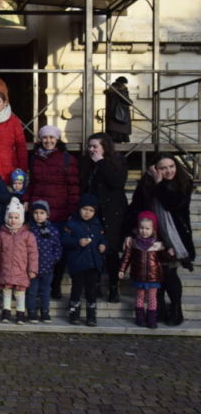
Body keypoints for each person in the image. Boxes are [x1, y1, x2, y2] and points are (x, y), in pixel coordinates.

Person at [128, 153, 195, 325]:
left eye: (171, 166)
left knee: (170, 274)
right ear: (154, 169)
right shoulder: (146, 184)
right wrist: (131, 233)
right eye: (163, 168)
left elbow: (171, 204)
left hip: (174, 236)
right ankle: (159, 309)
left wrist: (159, 183)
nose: (168, 171)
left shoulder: (183, 182)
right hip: (151, 235)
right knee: (156, 275)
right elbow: (136, 207)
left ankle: (176, 309)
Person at [23, 124, 79, 298]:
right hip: (38, 211)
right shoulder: (35, 158)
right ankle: (37, 285)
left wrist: (72, 209)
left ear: (57, 139)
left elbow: (74, 187)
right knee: (37, 249)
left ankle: (55, 285)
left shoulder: (67, 159)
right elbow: (32, 183)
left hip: (60, 212)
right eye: (45, 138)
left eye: (51, 138)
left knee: (57, 250)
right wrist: (26, 200)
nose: (48, 141)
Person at [80, 132, 127, 303]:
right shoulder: (87, 162)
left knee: (112, 251)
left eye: (95, 146)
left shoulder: (117, 161)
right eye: (90, 146)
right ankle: (96, 284)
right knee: (94, 250)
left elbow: (116, 182)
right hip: (94, 212)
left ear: (104, 147)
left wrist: (101, 162)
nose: (91, 150)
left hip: (113, 213)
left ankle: (114, 287)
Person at [119, 211, 170, 329]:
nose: (144, 231)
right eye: (141, 228)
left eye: (147, 228)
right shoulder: (135, 243)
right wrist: (122, 269)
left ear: (153, 229)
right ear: (138, 228)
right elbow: (127, 257)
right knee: (140, 297)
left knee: (152, 298)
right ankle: (140, 318)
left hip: (153, 276)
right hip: (139, 275)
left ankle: (152, 319)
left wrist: (168, 253)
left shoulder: (157, 245)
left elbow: (163, 258)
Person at [62, 194, 107, 327]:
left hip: (93, 263)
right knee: (77, 288)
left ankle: (91, 316)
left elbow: (103, 239)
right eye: (84, 209)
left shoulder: (97, 224)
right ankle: (74, 313)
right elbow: (65, 240)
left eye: (91, 210)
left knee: (91, 290)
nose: (87, 213)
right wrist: (77, 242)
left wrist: (103, 245)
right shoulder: (72, 223)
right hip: (78, 263)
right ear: (79, 209)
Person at [0, 198, 38, 325]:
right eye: (11, 217)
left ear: (21, 218)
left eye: (16, 217)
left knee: (20, 292)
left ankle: (20, 313)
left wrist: (32, 269)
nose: (13, 220)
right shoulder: (2, 234)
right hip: (6, 268)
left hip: (21, 269)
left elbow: (33, 254)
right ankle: (6, 311)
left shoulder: (28, 235)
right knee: (6, 290)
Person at [26, 200, 63, 324]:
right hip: (32, 268)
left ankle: (45, 311)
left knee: (45, 291)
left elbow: (58, 247)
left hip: (48, 267)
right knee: (32, 291)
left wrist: (53, 259)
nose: (38, 215)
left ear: (47, 214)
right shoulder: (29, 230)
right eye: (36, 212)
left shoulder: (53, 230)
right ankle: (31, 312)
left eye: (42, 212)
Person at [105, 76, 132, 143]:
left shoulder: (111, 90)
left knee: (113, 139)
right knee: (119, 138)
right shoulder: (121, 90)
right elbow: (127, 101)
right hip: (120, 117)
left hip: (112, 117)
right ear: (123, 83)